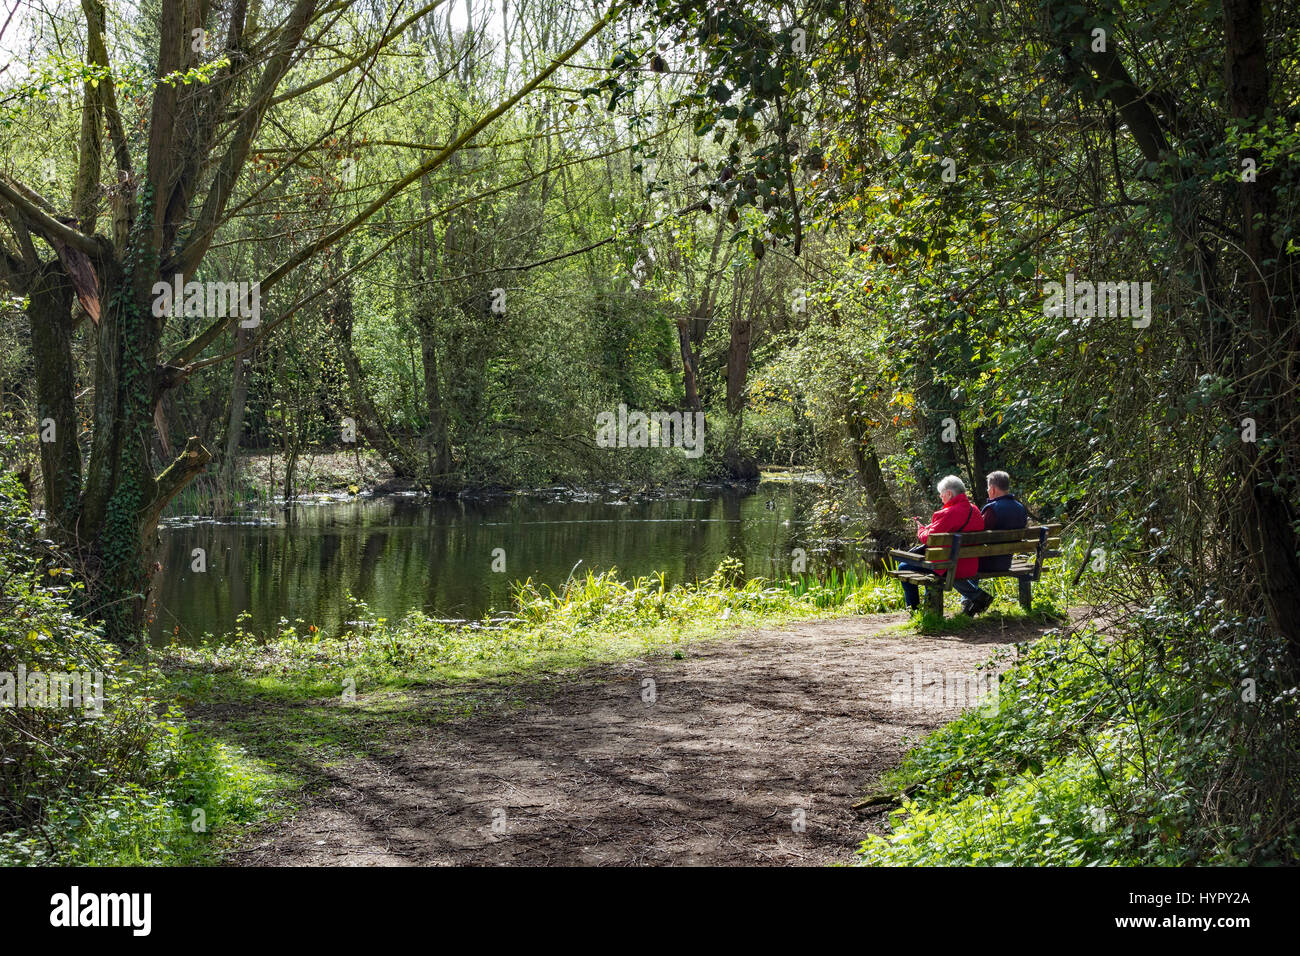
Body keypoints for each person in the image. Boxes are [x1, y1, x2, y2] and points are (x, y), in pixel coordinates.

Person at [896, 475, 984, 612]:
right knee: (930, 563)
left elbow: (928, 539)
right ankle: (975, 596)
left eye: (941, 494)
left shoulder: (947, 513)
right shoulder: (975, 510)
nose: (940, 497)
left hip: (949, 566)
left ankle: (914, 609)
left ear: (949, 493)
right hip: (970, 564)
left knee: (903, 567)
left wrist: (921, 530)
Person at [958, 470, 1030, 616]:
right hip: (1006, 561)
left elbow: (978, 537)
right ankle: (969, 603)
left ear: (993, 489)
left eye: (987, 488)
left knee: (964, 560)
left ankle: (969, 602)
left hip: (989, 563)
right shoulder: (1020, 508)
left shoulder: (992, 509)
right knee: (973, 556)